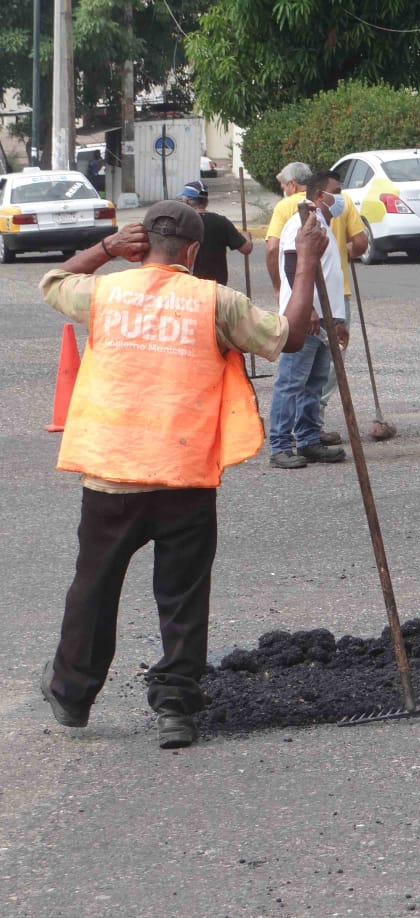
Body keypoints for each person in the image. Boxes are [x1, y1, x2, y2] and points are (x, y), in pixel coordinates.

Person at [38, 200, 330, 749]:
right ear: (194, 252)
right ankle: (176, 707)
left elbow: (52, 280)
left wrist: (104, 250)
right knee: (182, 596)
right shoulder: (215, 302)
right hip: (185, 476)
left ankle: (72, 695)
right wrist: (307, 262)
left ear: (140, 244)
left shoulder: (104, 293)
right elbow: (290, 337)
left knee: (94, 588)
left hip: (111, 475)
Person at [266, 167, 367, 445]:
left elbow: (330, 275)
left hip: (327, 320)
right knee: (291, 381)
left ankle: (309, 438)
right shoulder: (303, 222)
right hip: (306, 320)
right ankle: (281, 444)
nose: (341, 199)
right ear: (321, 195)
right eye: (336, 194)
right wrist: (308, 309)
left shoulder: (322, 222)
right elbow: (290, 264)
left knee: (315, 382)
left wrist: (337, 320)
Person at [179, 180, 252, 286]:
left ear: (186, 202)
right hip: (216, 286)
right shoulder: (221, 222)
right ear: (206, 201)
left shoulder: (181, 222)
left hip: (189, 285)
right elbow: (246, 248)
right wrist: (246, 236)